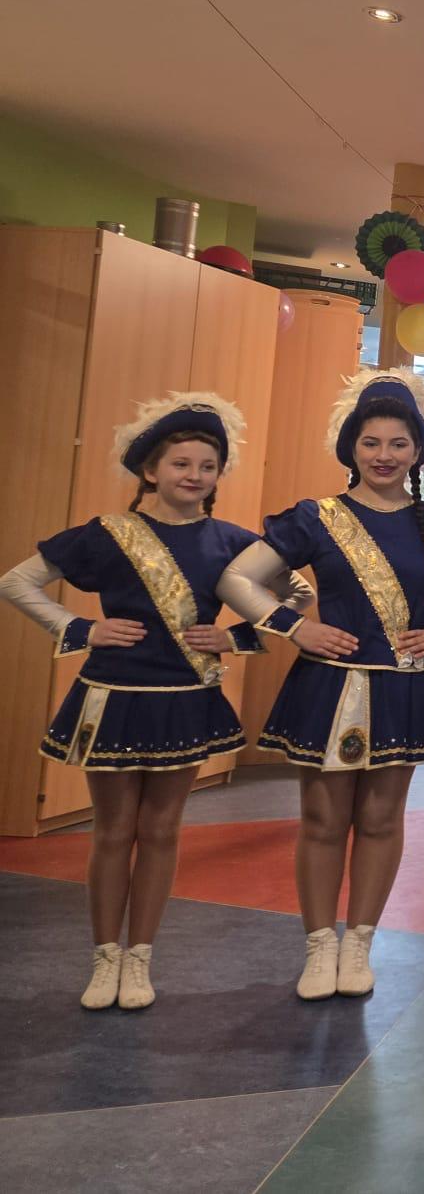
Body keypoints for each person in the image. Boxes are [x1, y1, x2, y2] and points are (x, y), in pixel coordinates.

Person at [0, 393, 301, 1010]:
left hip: (185, 698)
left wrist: (237, 637)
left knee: (162, 830)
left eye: (208, 466)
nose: (194, 475)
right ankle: (104, 957)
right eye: (181, 463)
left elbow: (296, 595)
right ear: (149, 470)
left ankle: (140, 958)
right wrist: (82, 629)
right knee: (113, 831)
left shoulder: (232, 542)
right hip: (113, 696)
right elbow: (17, 582)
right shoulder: (106, 535)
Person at [220, 369, 424, 1000]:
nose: (384, 455)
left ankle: (360, 941)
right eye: (371, 443)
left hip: (403, 686)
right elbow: (237, 578)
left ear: (418, 451)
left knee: (381, 819)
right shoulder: (315, 517)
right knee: (321, 819)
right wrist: (296, 627)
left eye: (398, 443)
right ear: (351, 448)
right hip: (328, 685)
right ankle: (320, 945)